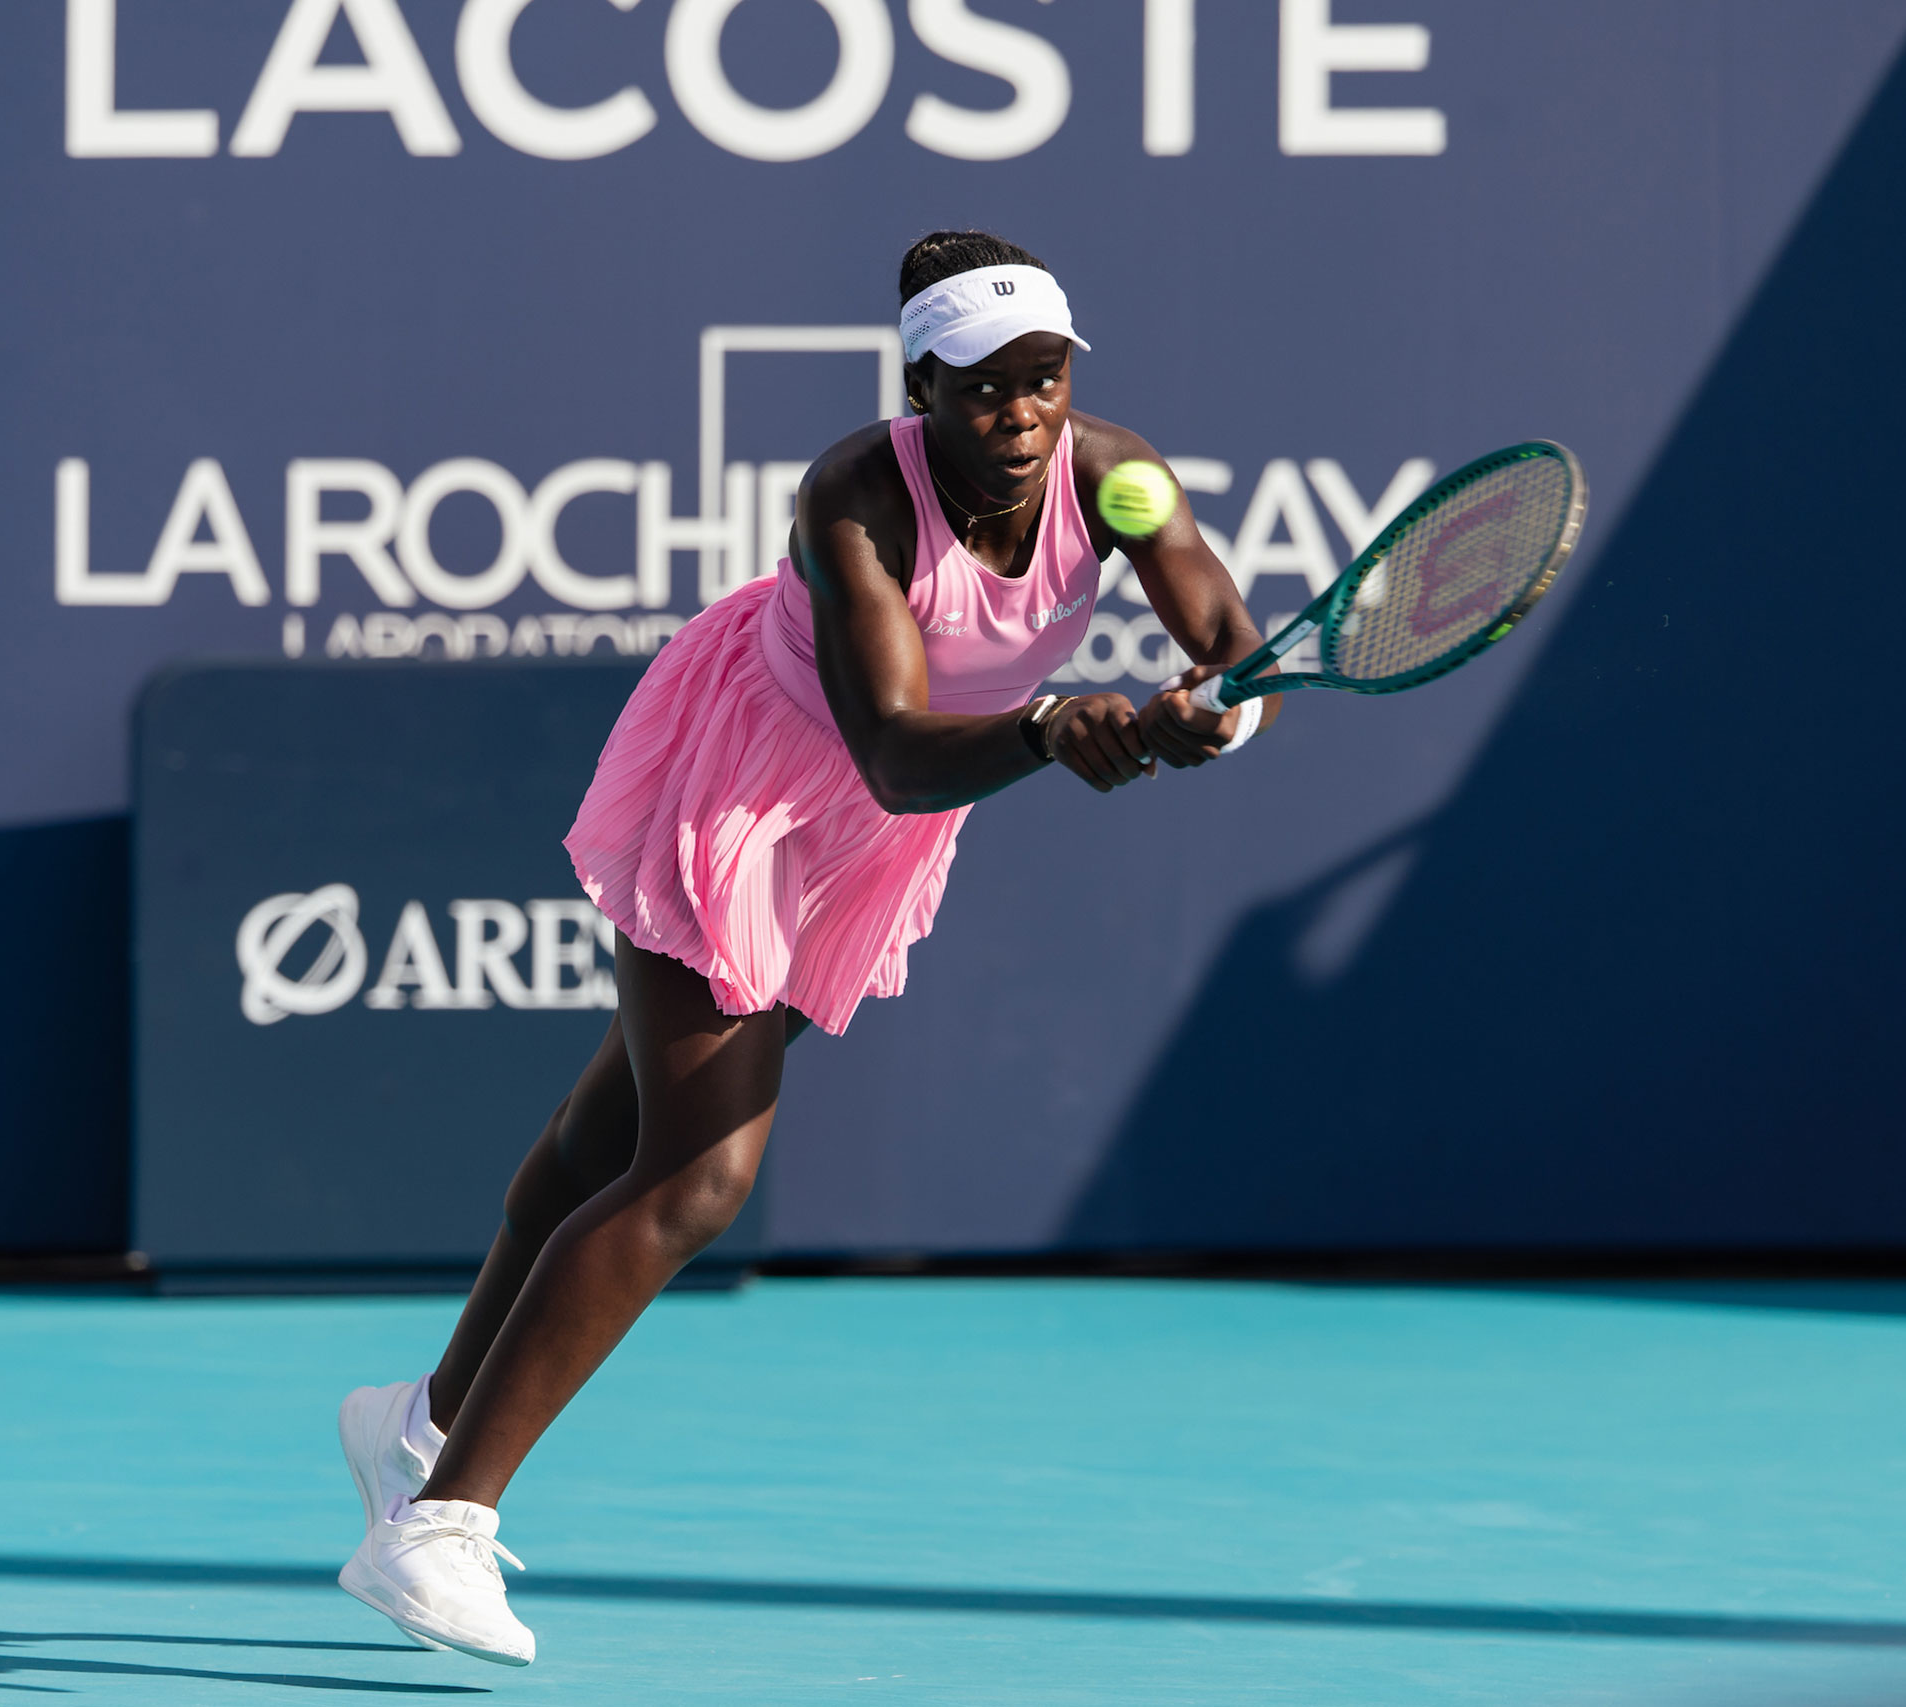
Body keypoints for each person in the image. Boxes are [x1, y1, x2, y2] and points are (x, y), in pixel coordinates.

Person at [333, 230, 1273, 1665]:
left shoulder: (1111, 470)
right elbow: (895, 747)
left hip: (869, 836)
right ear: (920, 389)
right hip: (754, 781)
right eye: (979, 390)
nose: (1020, 416)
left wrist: (1219, 710)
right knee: (700, 1172)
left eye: (1044, 380)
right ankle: (437, 1524)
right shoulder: (853, 494)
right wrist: (1050, 726)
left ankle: (420, 1420)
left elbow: (1220, 630)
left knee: (612, 1135)